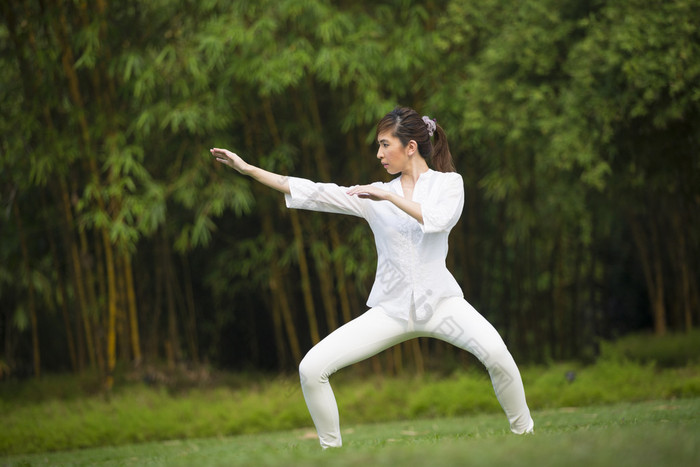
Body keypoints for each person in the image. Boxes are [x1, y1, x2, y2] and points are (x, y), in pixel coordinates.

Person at [211, 106, 534, 449]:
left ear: (410, 147)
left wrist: (389, 196)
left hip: (443, 305)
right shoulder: (374, 195)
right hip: (392, 311)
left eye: (384, 144)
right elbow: (314, 191)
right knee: (311, 368)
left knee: (498, 356)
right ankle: (330, 451)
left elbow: (438, 220)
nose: (378, 154)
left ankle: (526, 436)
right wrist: (247, 169)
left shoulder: (448, 184)